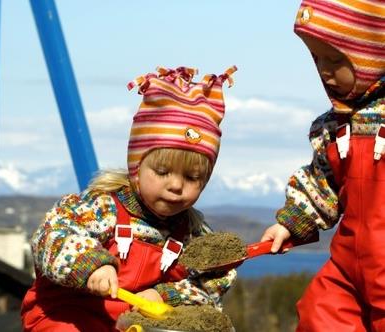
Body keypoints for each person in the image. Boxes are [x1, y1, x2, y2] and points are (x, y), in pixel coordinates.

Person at [21, 66, 238, 331]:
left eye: (192, 178)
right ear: (136, 167)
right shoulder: (101, 209)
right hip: (69, 316)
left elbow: (213, 283)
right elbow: (53, 235)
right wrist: (92, 266)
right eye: (161, 172)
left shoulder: (194, 236)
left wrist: (165, 295)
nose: (176, 186)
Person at [260, 0, 385, 331]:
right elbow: (321, 183)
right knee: (321, 312)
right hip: (348, 266)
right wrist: (292, 222)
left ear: (372, 55)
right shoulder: (334, 127)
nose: (325, 70)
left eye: (335, 59)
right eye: (317, 58)